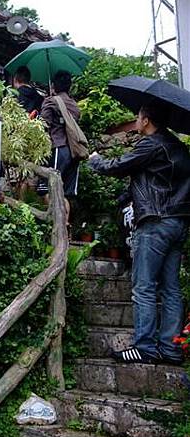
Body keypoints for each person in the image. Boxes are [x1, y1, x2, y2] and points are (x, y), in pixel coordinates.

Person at [88, 103, 190, 365]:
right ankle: (170, 348)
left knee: (144, 286)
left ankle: (144, 346)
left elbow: (119, 165)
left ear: (146, 121)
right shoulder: (178, 148)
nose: (135, 120)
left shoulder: (152, 144)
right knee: (171, 289)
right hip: (177, 223)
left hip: (155, 223)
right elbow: (154, 180)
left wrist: (96, 160)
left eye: (138, 116)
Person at [38, 70, 82, 222]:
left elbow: (43, 125)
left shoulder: (51, 101)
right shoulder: (74, 105)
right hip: (74, 152)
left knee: (49, 189)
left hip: (58, 147)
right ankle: (65, 230)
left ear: (54, 85)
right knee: (63, 194)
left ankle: (55, 228)